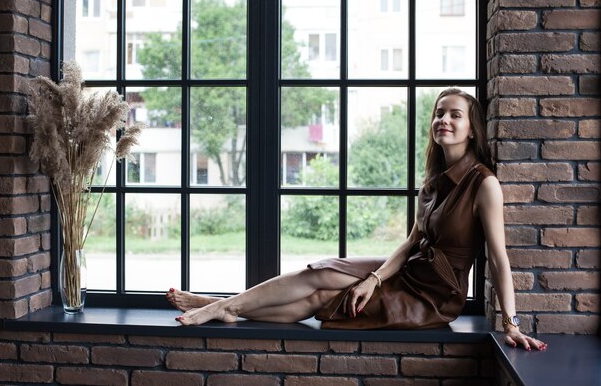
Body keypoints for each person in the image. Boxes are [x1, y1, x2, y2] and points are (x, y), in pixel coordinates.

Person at [167, 88, 547, 351]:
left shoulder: (484, 184)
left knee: (324, 297)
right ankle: (225, 306)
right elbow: (411, 241)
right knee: (323, 271)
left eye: (455, 114)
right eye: (438, 113)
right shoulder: (432, 182)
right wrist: (375, 278)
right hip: (409, 269)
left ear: (471, 128)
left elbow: (499, 259)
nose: (443, 119)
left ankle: (224, 306)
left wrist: (511, 323)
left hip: (434, 296)